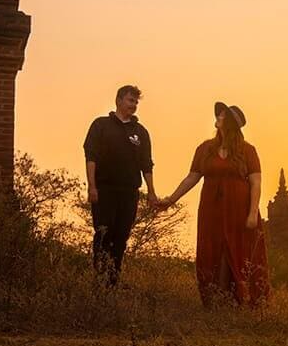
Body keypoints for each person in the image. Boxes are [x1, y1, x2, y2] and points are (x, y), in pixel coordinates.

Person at [158, 102, 269, 306]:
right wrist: (170, 199)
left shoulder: (247, 150)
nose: (218, 117)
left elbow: (256, 183)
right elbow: (192, 177)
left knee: (235, 250)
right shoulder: (205, 149)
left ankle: (237, 300)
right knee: (212, 249)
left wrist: (252, 213)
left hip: (238, 207)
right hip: (211, 207)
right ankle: (215, 299)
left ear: (231, 124)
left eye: (223, 115)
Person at [83, 85, 156, 285]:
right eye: (130, 100)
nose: (133, 105)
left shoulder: (140, 132)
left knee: (121, 236)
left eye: (136, 102)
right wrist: (92, 186)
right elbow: (91, 156)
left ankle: (113, 280)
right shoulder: (101, 125)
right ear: (119, 100)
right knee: (103, 233)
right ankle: (98, 279)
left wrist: (151, 192)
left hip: (129, 192)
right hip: (104, 190)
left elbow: (146, 164)